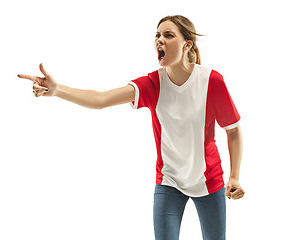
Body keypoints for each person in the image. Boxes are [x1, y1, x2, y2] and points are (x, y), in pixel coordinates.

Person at [18, 15, 244, 240]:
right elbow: (100, 100)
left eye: (168, 35)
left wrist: (234, 176)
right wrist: (58, 90)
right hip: (169, 180)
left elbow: (232, 130)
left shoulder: (211, 81)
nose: (160, 40)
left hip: (209, 180)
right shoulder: (153, 84)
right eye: (157, 35)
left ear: (187, 44)